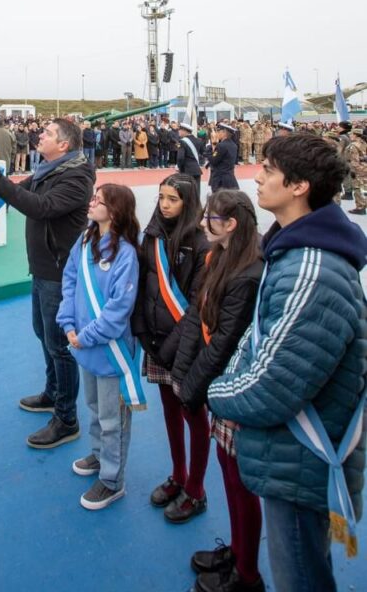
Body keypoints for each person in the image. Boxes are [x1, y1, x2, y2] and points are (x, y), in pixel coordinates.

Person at [208, 133, 367, 592]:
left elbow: (274, 382)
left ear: (299, 186)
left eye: (269, 170)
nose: (257, 177)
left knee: (299, 574)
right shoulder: (291, 252)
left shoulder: (311, 267)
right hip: (290, 451)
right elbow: (262, 337)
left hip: (300, 452)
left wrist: (216, 393)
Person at [0, 118, 95, 448]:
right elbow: (21, 190)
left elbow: (40, 207)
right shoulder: (48, 170)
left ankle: (66, 419)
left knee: (59, 345)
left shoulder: (76, 177)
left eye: (47, 133)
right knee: (43, 334)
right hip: (43, 268)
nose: (40, 136)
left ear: (64, 145)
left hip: (59, 273)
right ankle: (53, 393)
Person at [172, 191, 265, 592]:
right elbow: (198, 314)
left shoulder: (248, 272)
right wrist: (183, 372)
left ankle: (248, 574)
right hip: (218, 383)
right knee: (229, 474)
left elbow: (224, 342)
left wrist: (192, 387)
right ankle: (238, 551)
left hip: (231, 385)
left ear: (232, 225)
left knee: (240, 482)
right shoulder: (220, 257)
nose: (203, 223)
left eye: (211, 217)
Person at [131, 175, 210, 523]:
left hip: (185, 347)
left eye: (173, 199)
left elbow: (197, 305)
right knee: (169, 412)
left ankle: (196, 489)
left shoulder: (202, 244)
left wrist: (171, 347)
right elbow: (142, 286)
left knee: (194, 415)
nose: (164, 204)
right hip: (156, 341)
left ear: (188, 203)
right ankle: (178, 474)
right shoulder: (151, 236)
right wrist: (143, 332)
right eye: (161, 197)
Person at [57, 184, 142, 510]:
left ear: (115, 211)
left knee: (112, 419)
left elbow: (119, 310)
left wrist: (85, 335)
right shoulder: (84, 240)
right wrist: (68, 322)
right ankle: (99, 455)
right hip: (84, 345)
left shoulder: (126, 254)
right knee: (93, 407)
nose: (91, 203)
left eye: (99, 200)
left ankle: (112, 480)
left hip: (109, 350)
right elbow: (70, 281)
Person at [207, 123, 239, 191]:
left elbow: (213, 160)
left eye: (219, 132)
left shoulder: (221, 145)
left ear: (224, 133)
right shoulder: (234, 145)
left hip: (220, 180)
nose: (217, 133)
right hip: (230, 178)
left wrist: (209, 149)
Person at [176, 121, 203, 196]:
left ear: (184, 131)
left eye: (180, 130)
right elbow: (202, 153)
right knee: (196, 191)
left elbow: (180, 158)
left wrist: (179, 167)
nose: (179, 132)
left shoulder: (182, 141)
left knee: (187, 192)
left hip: (186, 170)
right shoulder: (198, 140)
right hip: (197, 169)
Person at [346, 126, 367, 216]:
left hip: (358, 169)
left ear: (355, 135)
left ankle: (360, 207)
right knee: (364, 188)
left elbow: (354, 160)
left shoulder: (353, 145)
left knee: (357, 188)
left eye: (351, 134)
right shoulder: (364, 143)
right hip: (365, 167)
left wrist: (353, 170)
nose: (350, 136)